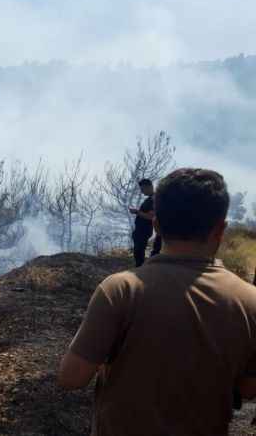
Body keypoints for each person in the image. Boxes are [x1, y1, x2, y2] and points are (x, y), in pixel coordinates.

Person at [57, 168, 256, 435]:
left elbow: (72, 377)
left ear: (157, 226)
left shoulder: (121, 289)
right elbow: (248, 389)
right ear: (220, 229)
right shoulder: (250, 301)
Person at [129, 179, 160, 267]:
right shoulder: (150, 199)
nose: (142, 192)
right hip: (141, 230)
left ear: (149, 187)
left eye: (143, 189)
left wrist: (136, 212)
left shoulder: (154, 199)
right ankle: (141, 268)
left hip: (144, 230)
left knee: (139, 251)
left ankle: (141, 269)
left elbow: (151, 216)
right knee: (138, 251)